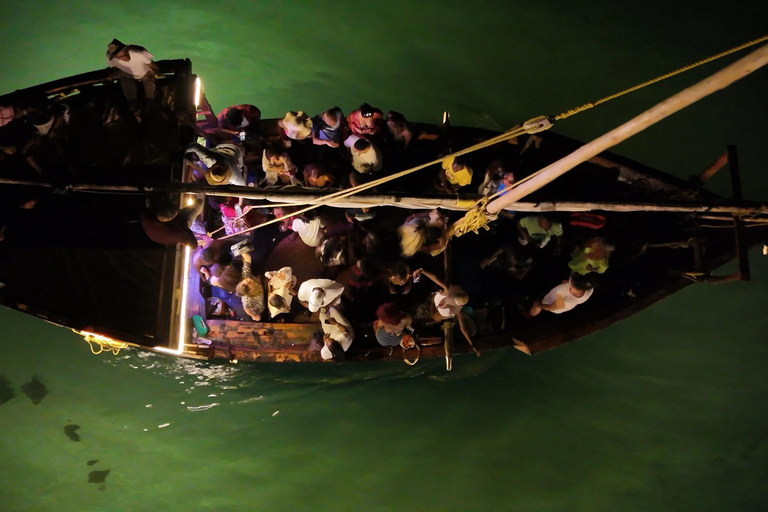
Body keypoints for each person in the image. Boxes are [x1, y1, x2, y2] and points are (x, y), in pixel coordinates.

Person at [417, 269, 480, 356]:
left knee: (434, 317)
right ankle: (432, 304)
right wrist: (422, 271)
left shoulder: (456, 311)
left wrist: (472, 345)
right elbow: (436, 278)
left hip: (442, 314)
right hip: (436, 299)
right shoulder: (448, 290)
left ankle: (431, 318)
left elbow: (463, 329)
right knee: (432, 300)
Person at [105, 39, 158, 114]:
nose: (118, 57)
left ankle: (151, 100)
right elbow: (114, 67)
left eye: (119, 53)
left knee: (149, 82)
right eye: (115, 55)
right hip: (127, 73)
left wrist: (158, 70)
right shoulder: (110, 58)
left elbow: (150, 63)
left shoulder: (139, 54)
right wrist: (113, 75)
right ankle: (132, 102)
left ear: (125, 49)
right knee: (124, 80)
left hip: (145, 72)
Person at [529, 274, 594, 316]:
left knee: (536, 306)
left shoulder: (563, 296)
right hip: (563, 302)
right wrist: (568, 282)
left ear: (571, 285)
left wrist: (539, 305)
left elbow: (552, 307)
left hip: (550, 301)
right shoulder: (590, 288)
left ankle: (530, 315)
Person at [236, 251, 265, 321]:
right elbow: (246, 308)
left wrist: (240, 250)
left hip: (261, 289)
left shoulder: (245, 276)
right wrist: (254, 316)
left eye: (245, 281)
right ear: (250, 291)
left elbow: (247, 260)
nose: (248, 279)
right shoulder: (247, 299)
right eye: (249, 283)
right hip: (259, 308)